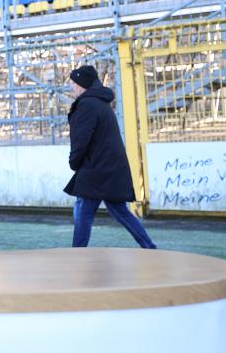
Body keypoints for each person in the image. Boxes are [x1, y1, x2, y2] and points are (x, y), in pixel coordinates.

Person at [63, 65, 157, 249]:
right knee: (118, 211)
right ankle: (149, 246)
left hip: (96, 168)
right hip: (108, 166)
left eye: (74, 83)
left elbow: (81, 139)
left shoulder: (87, 105)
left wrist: (74, 162)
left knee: (83, 210)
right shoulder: (99, 103)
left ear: (82, 84)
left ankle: (77, 252)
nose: (71, 87)